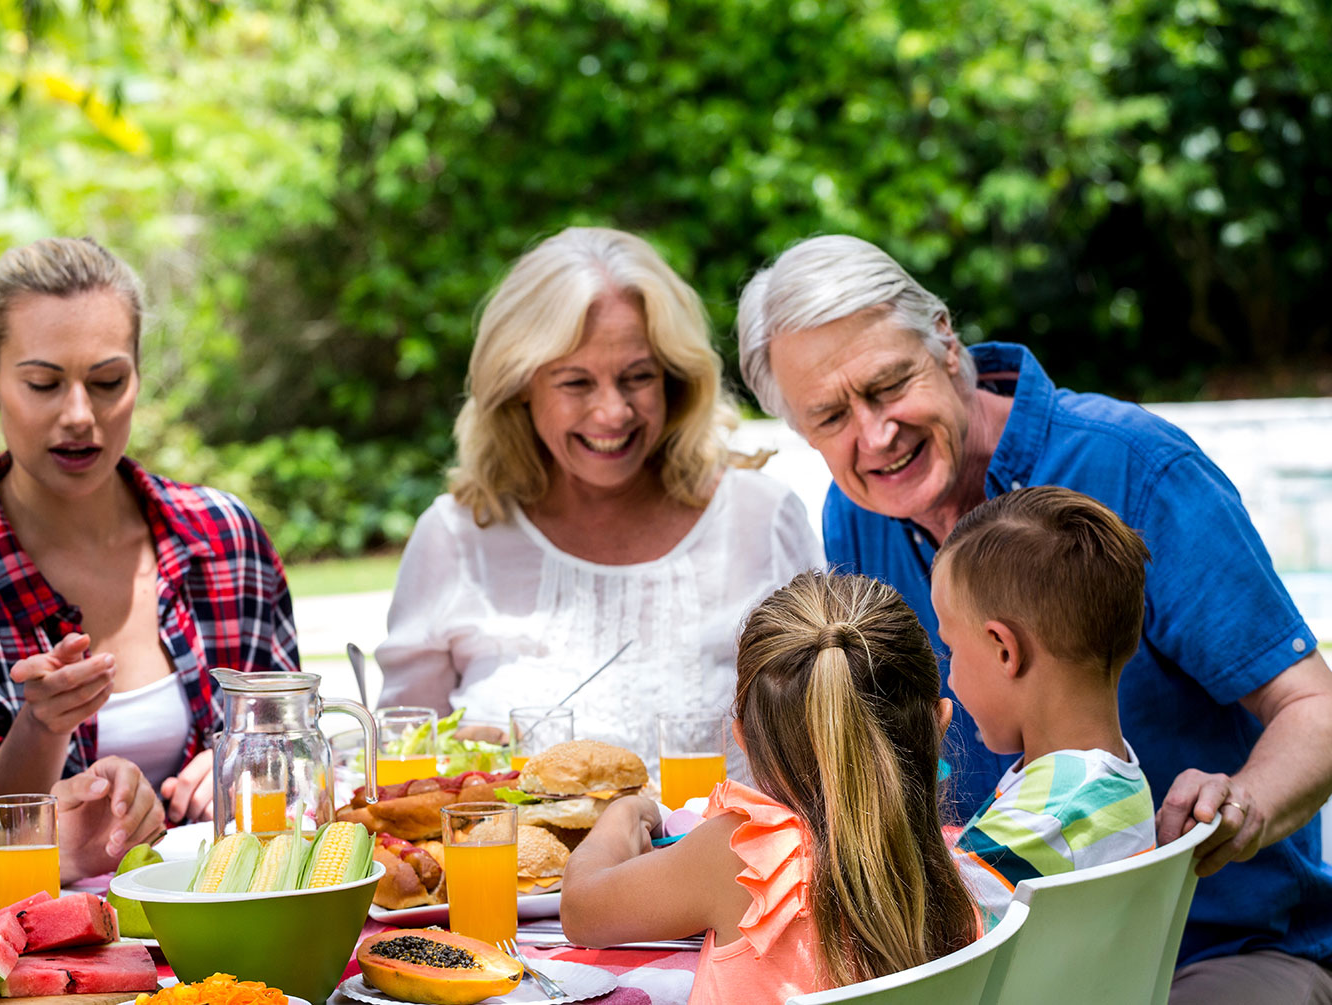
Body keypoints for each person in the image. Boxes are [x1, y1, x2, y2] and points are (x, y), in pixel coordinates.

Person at [738, 233, 1332, 1000]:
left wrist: (1241, 805)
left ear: (945, 340)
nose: (876, 434)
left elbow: (1313, 707)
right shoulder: (857, 515)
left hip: (1213, 945)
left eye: (888, 385)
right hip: (981, 955)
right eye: (830, 416)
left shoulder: (1133, 466)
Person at [0, 237, 298, 841]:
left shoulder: (226, 540)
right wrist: (42, 727)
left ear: (138, 374)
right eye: (43, 384)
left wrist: (253, 765)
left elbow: (294, 740)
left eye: (107, 381)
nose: (79, 414)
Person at [376, 227, 822, 775]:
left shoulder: (760, 517)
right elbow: (398, 763)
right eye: (576, 383)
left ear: (674, 378)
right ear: (520, 384)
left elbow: (830, 740)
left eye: (638, 376)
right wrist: (455, 767)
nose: (613, 412)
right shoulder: (455, 535)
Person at [561, 571, 977, 1004]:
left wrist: (624, 813)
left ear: (741, 738)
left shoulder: (747, 855)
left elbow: (579, 910)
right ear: (940, 722)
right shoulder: (951, 876)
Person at [933, 486, 1158, 930]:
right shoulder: (1105, 779)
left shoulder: (1046, 817)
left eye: (951, 648)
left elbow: (916, 932)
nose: (950, 679)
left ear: (1004, 650)